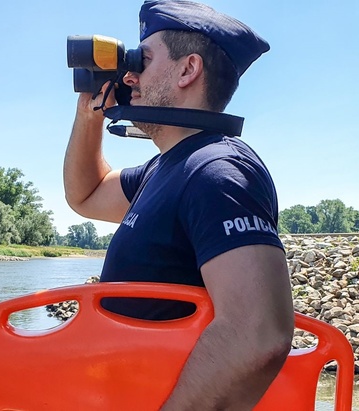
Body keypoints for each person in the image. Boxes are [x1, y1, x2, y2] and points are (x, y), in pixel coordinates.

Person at [63, 0, 294, 409]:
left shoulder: (217, 172)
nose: (129, 75)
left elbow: (258, 335)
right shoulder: (166, 168)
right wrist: (90, 112)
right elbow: (85, 195)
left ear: (189, 69)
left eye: (143, 60)